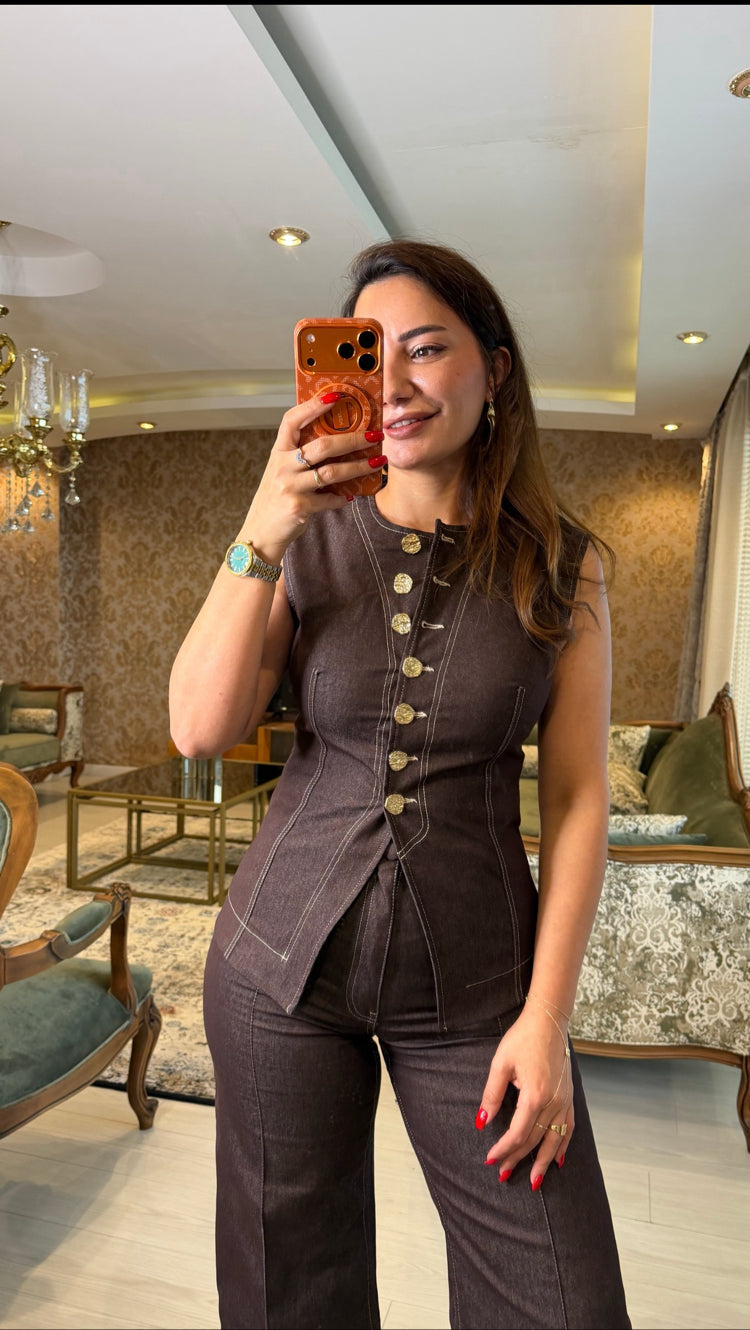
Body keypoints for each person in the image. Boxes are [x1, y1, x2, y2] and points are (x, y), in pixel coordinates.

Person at [169, 239, 631, 1330]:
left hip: (481, 992)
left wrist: (548, 1019)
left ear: (494, 369)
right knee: (291, 1295)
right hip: (276, 975)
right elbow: (199, 727)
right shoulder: (304, 538)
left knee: (562, 1302)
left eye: (426, 349)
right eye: (369, 358)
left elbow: (577, 799)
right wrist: (264, 523)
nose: (395, 384)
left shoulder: (566, 564)